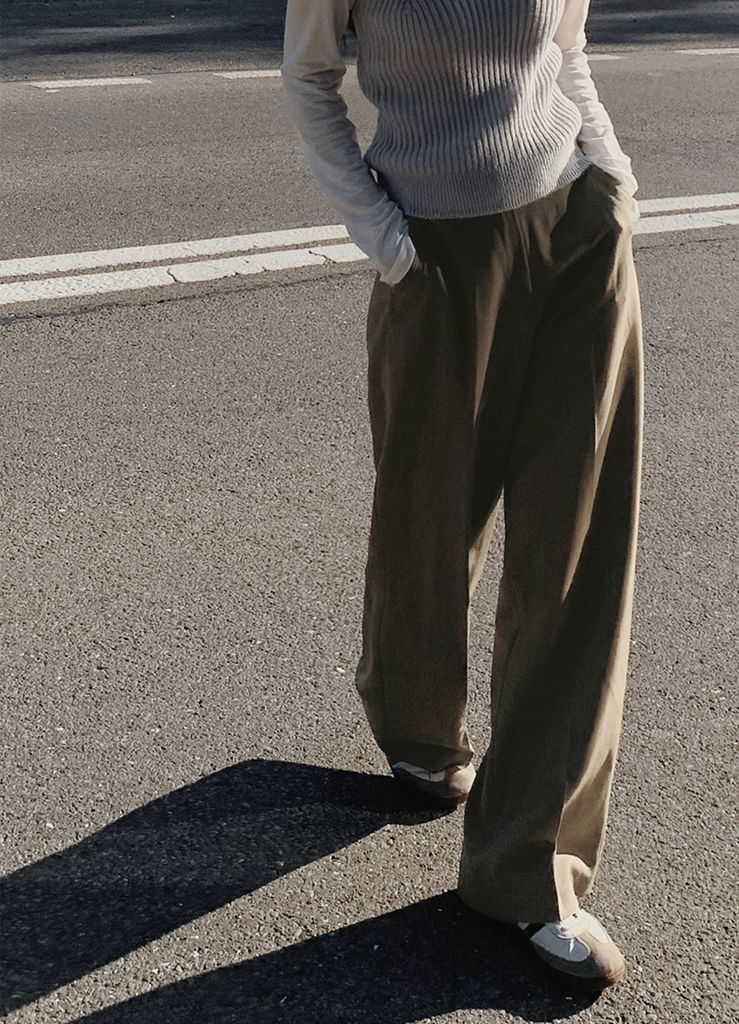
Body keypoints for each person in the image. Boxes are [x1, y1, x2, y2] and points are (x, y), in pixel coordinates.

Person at [283, 0, 643, 992]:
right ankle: (416, 724)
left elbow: (565, 48)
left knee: (575, 555)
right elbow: (309, 76)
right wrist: (386, 239)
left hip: (576, 233)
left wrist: (612, 175)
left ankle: (531, 869)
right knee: (427, 521)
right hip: (435, 255)